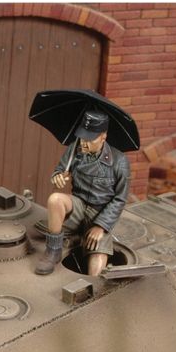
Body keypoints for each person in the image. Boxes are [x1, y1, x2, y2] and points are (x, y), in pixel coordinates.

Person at [36, 110, 131, 276]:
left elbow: (120, 199)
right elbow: (59, 170)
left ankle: (92, 285)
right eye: (82, 137)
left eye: (90, 139)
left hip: (100, 213)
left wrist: (101, 226)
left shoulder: (120, 161)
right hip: (78, 206)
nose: (84, 143)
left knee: (97, 261)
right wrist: (58, 177)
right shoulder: (74, 149)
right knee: (55, 199)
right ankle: (53, 250)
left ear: (103, 136)